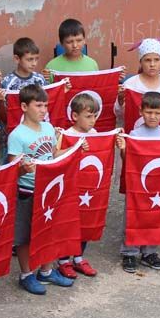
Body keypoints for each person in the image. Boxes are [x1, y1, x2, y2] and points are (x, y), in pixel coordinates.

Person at [8, 83, 75, 295]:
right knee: (25, 235)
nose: (43, 110)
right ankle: (26, 274)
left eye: (45, 105)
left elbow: (53, 153)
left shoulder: (48, 128)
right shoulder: (17, 135)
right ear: (24, 107)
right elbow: (11, 170)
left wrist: (74, 148)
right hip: (27, 193)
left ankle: (46, 272)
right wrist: (22, 169)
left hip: (48, 191)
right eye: (38, 105)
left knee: (48, 231)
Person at [120, 91, 160, 274]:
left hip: (157, 185)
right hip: (137, 184)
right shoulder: (135, 133)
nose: (152, 116)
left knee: (154, 217)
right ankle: (129, 252)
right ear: (141, 111)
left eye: (157, 113)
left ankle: (149, 252)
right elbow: (129, 159)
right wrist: (124, 149)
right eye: (149, 112)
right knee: (134, 215)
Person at [55, 93, 102, 279]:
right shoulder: (66, 134)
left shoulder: (96, 135)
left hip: (89, 189)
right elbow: (56, 155)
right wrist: (71, 146)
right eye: (88, 116)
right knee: (67, 222)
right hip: (69, 188)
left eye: (95, 116)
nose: (93, 121)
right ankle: (63, 260)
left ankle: (79, 257)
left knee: (86, 220)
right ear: (75, 116)